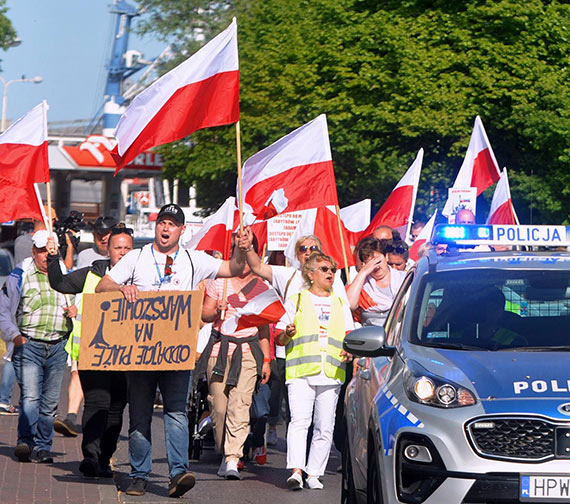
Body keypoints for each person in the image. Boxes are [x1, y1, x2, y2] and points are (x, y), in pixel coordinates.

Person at [95, 203, 252, 498]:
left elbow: (234, 268)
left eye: (172, 224)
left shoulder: (194, 260)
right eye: (161, 223)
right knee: (140, 414)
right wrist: (121, 289)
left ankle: (178, 472)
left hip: (177, 352)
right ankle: (139, 475)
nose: (165, 228)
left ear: (182, 230)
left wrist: (241, 247)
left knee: (177, 412)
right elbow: (102, 286)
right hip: (140, 352)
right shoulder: (137, 258)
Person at [244, 233, 349, 446]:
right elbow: (258, 268)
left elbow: (345, 312)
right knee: (293, 412)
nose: (309, 252)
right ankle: (294, 460)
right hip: (287, 354)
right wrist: (247, 248)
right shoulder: (288, 275)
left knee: (319, 419)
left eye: (313, 248)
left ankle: (311, 457)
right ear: (296, 254)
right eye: (303, 249)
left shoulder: (332, 279)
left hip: (324, 361)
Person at [46, 225, 134, 478]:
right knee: (98, 403)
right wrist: (54, 258)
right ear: (107, 249)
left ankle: (105, 459)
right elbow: (60, 283)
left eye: (128, 248)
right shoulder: (91, 275)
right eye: (118, 248)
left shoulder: (143, 276)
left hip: (128, 357)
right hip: (94, 352)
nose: (123, 252)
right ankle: (91, 457)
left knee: (116, 409)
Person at [276, 252, 354, 490]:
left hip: (331, 372)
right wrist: (287, 333)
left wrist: (350, 351)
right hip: (301, 372)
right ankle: (297, 470)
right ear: (310, 274)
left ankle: (314, 473)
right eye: (324, 269)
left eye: (333, 270)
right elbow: (279, 338)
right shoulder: (297, 300)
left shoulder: (341, 302)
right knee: (300, 422)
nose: (330, 273)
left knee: (325, 425)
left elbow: (349, 337)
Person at [199, 237, 271, 480]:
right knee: (219, 408)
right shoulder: (219, 282)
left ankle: (233, 458)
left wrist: (267, 360)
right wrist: (215, 309)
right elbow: (205, 314)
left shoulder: (262, 288)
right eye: (238, 252)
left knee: (240, 405)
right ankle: (224, 451)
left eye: (247, 252)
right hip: (220, 350)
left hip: (248, 352)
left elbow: (263, 329)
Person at [0, 230, 75, 463]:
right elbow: (3, 310)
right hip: (30, 343)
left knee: (50, 401)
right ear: (33, 251)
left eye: (49, 250)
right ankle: (25, 441)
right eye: (41, 250)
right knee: (31, 396)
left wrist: (74, 312)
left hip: (57, 344)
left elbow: (77, 304)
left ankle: (43, 446)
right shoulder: (19, 275)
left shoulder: (63, 272)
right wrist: (15, 336)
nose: (45, 255)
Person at [346, 238, 406, 326]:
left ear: (386, 257)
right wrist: (363, 273)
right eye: (371, 263)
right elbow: (350, 304)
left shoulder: (403, 279)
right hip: (371, 335)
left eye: (378, 261)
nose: (376, 267)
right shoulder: (360, 285)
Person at [14, 205, 75, 270]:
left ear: (33, 219)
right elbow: (66, 269)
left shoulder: (20, 240)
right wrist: (70, 245)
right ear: (52, 222)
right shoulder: (51, 242)